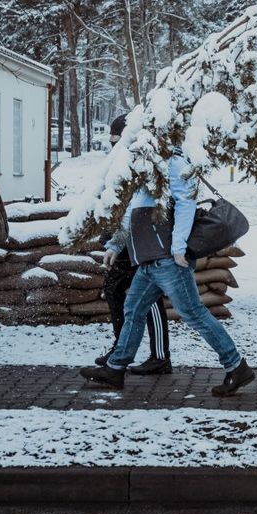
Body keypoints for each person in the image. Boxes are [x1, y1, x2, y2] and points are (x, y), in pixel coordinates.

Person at [79, 140, 253, 396]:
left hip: (168, 259)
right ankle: (115, 369)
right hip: (149, 260)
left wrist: (179, 247)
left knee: (193, 313)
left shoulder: (173, 163)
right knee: (134, 309)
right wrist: (116, 244)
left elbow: (186, 203)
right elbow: (132, 210)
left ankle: (236, 366)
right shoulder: (145, 163)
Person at [92, 114, 172, 375]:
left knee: (150, 296)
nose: (113, 145)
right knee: (114, 288)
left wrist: (116, 241)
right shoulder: (119, 162)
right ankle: (120, 349)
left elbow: (134, 206)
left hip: (144, 238)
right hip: (127, 238)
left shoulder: (139, 161)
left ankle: (160, 356)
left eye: (116, 139)